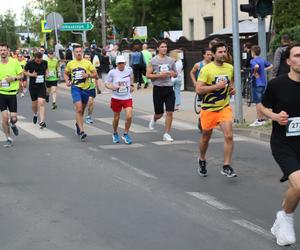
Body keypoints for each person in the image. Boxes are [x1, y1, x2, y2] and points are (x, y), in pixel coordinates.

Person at [258, 43, 300, 247]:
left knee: (298, 188)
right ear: (289, 61)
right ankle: (286, 218)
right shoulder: (277, 84)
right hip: (284, 143)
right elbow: (260, 106)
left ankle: (282, 217)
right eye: (297, 56)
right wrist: (275, 116)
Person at [195, 41, 236, 177]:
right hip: (208, 109)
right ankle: (201, 159)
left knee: (229, 136)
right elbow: (199, 89)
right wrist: (216, 87)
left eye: (225, 51)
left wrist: (231, 89)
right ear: (213, 54)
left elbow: (230, 83)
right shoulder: (206, 69)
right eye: (220, 52)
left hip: (224, 107)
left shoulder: (230, 68)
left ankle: (226, 165)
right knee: (206, 137)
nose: (223, 54)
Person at [64, 45, 97, 141]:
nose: (78, 53)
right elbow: (66, 73)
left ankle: (78, 124)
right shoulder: (70, 63)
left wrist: (88, 75)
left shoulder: (87, 63)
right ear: (74, 53)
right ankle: (82, 131)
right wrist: (66, 81)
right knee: (78, 109)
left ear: (82, 52)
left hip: (86, 89)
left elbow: (96, 75)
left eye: (80, 51)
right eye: (76, 51)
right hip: (75, 88)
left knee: (82, 110)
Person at [146, 40, 177, 142]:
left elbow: (176, 73)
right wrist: (159, 75)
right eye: (162, 47)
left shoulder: (171, 60)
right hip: (158, 89)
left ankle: (166, 133)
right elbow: (148, 75)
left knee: (170, 112)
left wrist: (173, 73)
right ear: (158, 48)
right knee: (159, 114)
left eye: (165, 47)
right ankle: (154, 119)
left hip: (169, 88)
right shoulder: (153, 61)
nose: (164, 49)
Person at [105, 55, 134, 144]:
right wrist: (112, 87)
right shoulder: (112, 72)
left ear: (125, 63)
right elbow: (106, 83)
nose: (121, 65)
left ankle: (125, 134)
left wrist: (132, 85)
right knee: (116, 117)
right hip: (116, 98)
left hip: (127, 97)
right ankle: (115, 133)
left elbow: (131, 77)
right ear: (116, 64)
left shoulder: (129, 70)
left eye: (123, 63)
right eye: (119, 63)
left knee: (129, 116)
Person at [0, 43, 23, 147]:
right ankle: (8, 138)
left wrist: (13, 78)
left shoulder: (14, 63)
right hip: (1, 94)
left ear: (8, 51)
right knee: (4, 118)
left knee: (13, 118)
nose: (2, 52)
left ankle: (13, 124)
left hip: (12, 93)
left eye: (4, 50)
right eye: (0, 50)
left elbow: (22, 75)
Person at [249, 45, 273, 127]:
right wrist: (264, 70)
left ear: (252, 52)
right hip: (264, 83)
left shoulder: (253, 61)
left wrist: (255, 73)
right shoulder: (262, 60)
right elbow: (271, 65)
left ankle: (260, 119)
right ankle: (263, 118)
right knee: (262, 101)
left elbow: (256, 66)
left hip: (256, 83)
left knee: (258, 102)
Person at [24, 52, 48, 129]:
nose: (39, 61)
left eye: (40, 60)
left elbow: (47, 69)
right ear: (35, 58)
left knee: (41, 102)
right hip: (33, 86)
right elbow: (24, 72)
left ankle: (42, 121)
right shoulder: (30, 63)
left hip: (41, 85)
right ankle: (35, 114)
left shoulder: (45, 62)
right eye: (38, 60)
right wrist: (31, 75)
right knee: (34, 104)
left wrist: (47, 74)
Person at [84, 53, 98, 124]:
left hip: (91, 87)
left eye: (89, 57)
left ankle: (89, 116)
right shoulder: (82, 66)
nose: (87, 59)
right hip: (83, 87)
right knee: (83, 104)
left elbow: (96, 77)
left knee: (91, 102)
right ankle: (80, 115)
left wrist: (98, 88)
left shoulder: (92, 66)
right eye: (86, 57)